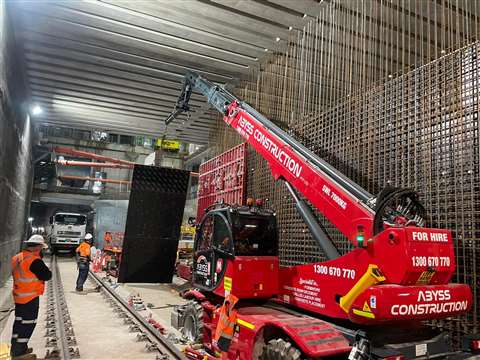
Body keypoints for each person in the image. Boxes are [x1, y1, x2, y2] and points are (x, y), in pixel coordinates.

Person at [11, 234, 51, 360]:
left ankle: (17, 348)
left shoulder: (17, 257)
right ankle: (19, 353)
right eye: (41, 248)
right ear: (38, 247)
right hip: (30, 297)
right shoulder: (34, 261)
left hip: (18, 296)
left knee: (19, 322)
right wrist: (40, 260)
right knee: (28, 324)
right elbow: (47, 275)